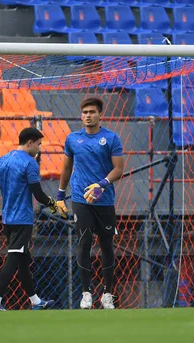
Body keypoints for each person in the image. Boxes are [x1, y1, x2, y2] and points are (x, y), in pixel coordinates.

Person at [0, 127, 67, 311]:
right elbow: (38, 194)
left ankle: (35, 301)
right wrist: (53, 203)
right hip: (22, 221)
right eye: (38, 144)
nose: (39, 149)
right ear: (30, 143)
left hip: (8, 220)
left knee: (23, 261)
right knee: (13, 258)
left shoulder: (2, 161)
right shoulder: (30, 163)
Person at [56, 97, 124, 310]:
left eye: (92, 112)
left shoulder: (111, 138)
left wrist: (101, 184)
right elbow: (66, 168)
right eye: (85, 112)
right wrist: (59, 195)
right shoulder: (72, 139)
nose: (88, 115)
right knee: (84, 243)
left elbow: (118, 169)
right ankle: (86, 294)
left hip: (104, 201)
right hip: (80, 200)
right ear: (81, 114)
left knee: (106, 246)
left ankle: (107, 294)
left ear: (100, 115)